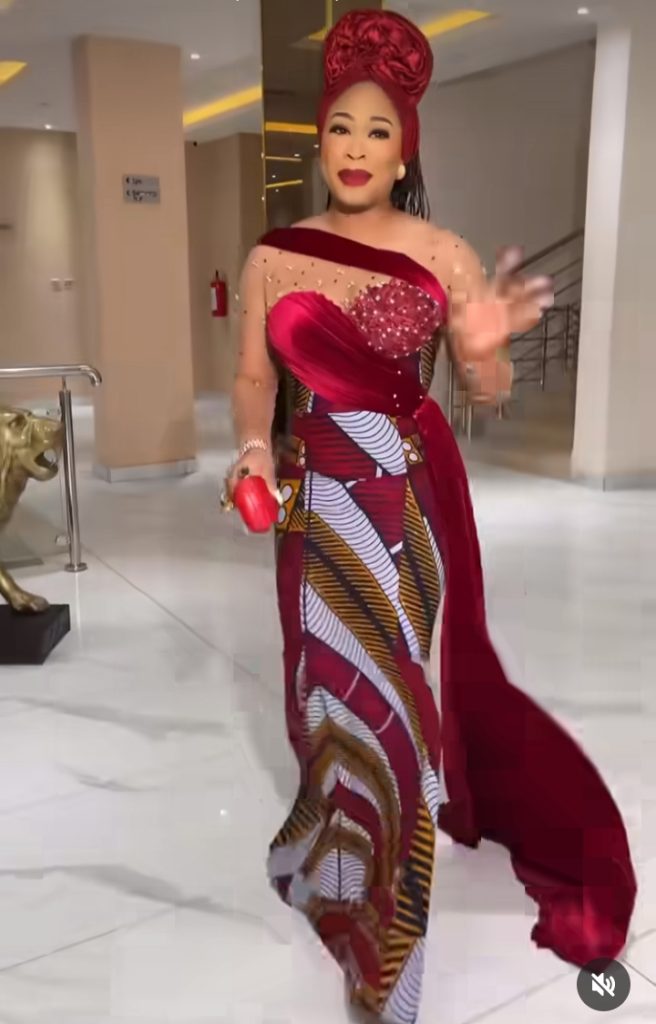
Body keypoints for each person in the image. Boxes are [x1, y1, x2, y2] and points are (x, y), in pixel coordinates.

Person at [224, 10, 636, 1023]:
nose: (356, 147)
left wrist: (486, 349)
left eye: (378, 130)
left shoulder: (442, 252)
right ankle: (333, 859)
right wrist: (249, 449)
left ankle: (390, 938)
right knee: (326, 700)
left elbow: (486, 391)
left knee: (398, 709)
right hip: (313, 505)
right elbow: (252, 381)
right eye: (340, 127)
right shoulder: (275, 255)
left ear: (404, 148)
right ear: (318, 139)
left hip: (402, 506)